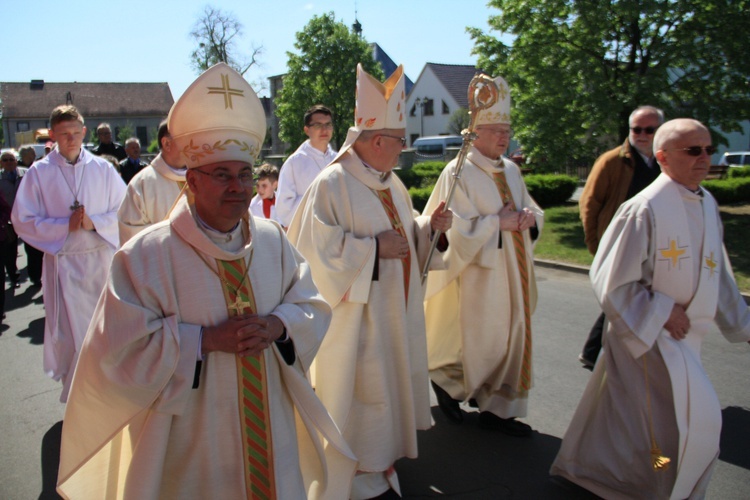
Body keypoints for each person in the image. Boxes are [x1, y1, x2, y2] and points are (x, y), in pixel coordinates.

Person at [57, 62, 355, 500]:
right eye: (222, 175)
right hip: (192, 442)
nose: (238, 187)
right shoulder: (145, 255)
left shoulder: (272, 240)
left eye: (244, 175)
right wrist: (204, 340)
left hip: (271, 426)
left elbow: (311, 303)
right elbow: (116, 352)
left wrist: (278, 325)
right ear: (191, 182)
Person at [550, 118, 750, 499]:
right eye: (693, 150)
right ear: (662, 157)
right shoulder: (643, 208)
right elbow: (611, 279)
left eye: (708, 149)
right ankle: (651, 489)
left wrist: (744, 325)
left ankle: (591, 473)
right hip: (649, 335)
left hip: (684, 338)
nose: (704, 157)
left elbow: (717, 272)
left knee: (631, 421)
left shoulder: (706, 201)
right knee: (681, 426)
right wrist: (662, 311)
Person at [287, 63, 453, 499]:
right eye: (400, 142)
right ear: (377, 140)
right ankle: (353, 478)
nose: (404, 149)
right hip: (354, 322)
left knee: (386, 391)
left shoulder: (391, 183)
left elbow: (406, 236)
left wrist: (429, 229)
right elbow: (313, 257)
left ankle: (382, 466)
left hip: (393, 312)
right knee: (362, 396)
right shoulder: (332, 185)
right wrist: (373, 249)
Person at [422, 75, 543, 436]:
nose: (504, 138)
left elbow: (531, 210)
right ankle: (447, 384)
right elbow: (450, 228)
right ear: (476, 133)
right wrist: (496, 223)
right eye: (495, 130)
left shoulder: (511, 170)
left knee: (512, 337)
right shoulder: (459, 172)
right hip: (479, 275)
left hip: (513, 272)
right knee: (483, 340)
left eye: (506, 130)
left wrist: (528, 219)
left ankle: (498, 410)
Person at [11, 105, 126, 402]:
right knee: (72, 333)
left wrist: (94, 222)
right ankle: (80, 397)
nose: (71, 139)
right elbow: (22, 219)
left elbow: (126, 212)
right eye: (64, 134)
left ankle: (106, 392)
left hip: (101, 262)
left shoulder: (103, 169)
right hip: (64, 265)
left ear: (84, 132)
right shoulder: (39, 173)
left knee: (104, 331)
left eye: (76, 133)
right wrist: (64, 226)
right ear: (53, 135)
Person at [577, 106, 665, 369]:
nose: (642, 135)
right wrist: (596, 245)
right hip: (618, 244)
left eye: (649, 130)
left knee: (634, 296)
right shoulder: (612, 161)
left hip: (655, 245)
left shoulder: (664, 162)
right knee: (619, 295)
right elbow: (589, 204)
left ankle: (598, 353)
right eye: (636, 129)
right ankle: (598, 354)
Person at [117, 120, 187, 244]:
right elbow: (132, 237)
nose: (193, 144)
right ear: (166, 143)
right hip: (161, 261)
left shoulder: (201, 177)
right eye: (186, 138)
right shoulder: (142, 184)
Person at [276, 104, 337, 227]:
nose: (324, 129)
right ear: (307, 130)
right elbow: (284, 210)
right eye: (318, 125)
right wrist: (319, 200)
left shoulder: (340, 159)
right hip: (308, 233)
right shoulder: (294, 163)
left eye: (328, 125)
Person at [0, 150, 25, 288]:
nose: (8, 162)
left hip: (24, 217)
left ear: (16, 161)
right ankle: (13, 276)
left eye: (11, 159)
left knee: (32, 248)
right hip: (7, 220)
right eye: (5, 160)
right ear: (1, 163)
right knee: (10, 249)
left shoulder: (25, 174)